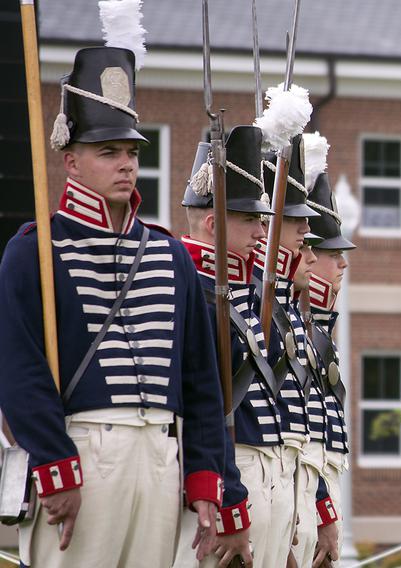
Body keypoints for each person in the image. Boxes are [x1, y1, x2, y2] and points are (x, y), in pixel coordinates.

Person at [0, 46, 226, 567]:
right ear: (71, 159)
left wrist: (204, 474)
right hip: (83, 449)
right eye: (108, 152)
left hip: (160, 453)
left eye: (131, 151)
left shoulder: (170, 254)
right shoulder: (36, 250)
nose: (126, 164)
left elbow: (201, 379)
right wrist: (55, 464)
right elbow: (19, 371)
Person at [175, 126, 287, 567]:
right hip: (223, 476)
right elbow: (208, 405)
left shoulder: (240, 295)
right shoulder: (195, 293)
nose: (263, 231)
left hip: (262, 474)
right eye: (249, 219)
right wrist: (232, 502)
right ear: (211, 223)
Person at [254, 132, 328, 568]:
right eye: (295, 221)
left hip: (286, 484)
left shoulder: (291, 318)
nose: (307, 235)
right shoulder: (251, 305)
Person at [299, 168, 356, 567]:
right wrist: (322, 513)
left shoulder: (319, 326)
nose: (342, 265)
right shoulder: (299, 326)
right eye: (333, 255)